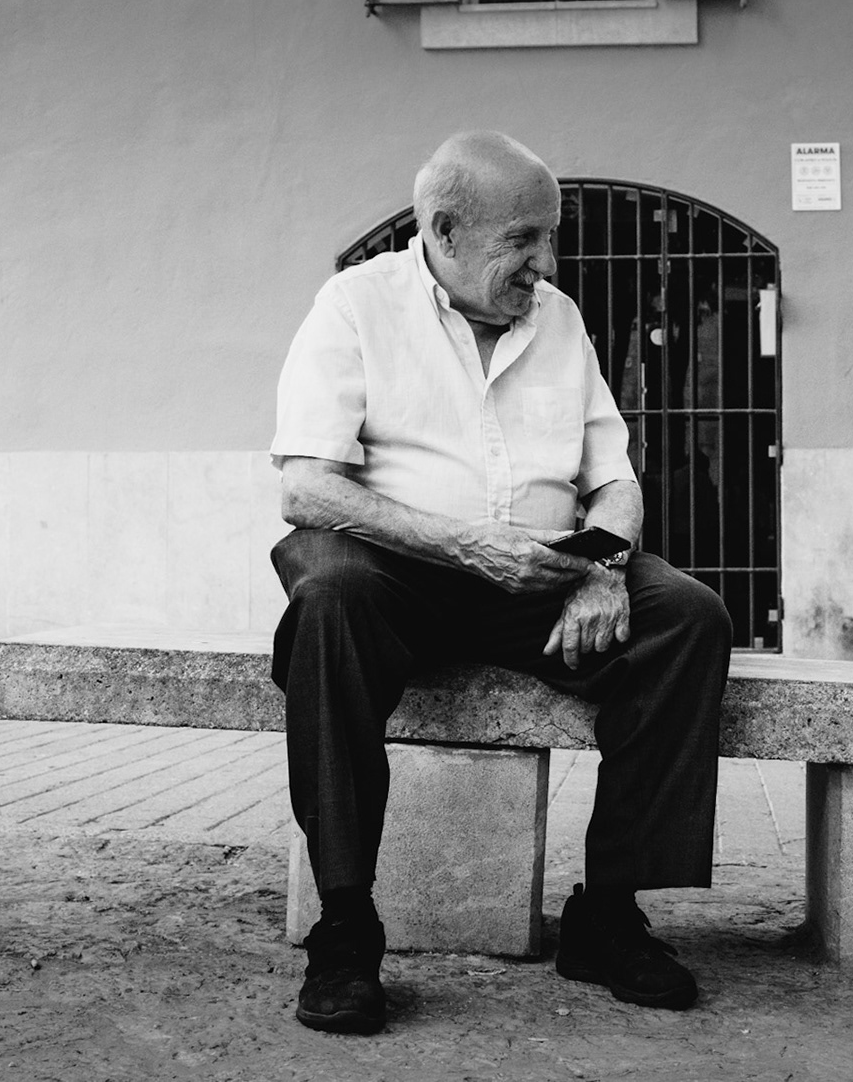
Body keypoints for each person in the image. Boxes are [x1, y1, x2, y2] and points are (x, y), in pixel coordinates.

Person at [269, 130, 732, 1034]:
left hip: (542, 579)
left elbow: (615, 477)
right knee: (329, 598)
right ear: (444, 229)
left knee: (689, 618)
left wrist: (604, 568)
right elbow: (304, 485)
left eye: (548, 238)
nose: (544, 262)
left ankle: (607, 916)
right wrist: (462, 547)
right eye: (522, 240)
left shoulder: (557, 318)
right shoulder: (355, 306)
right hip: (393, 575)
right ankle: (346, 926)